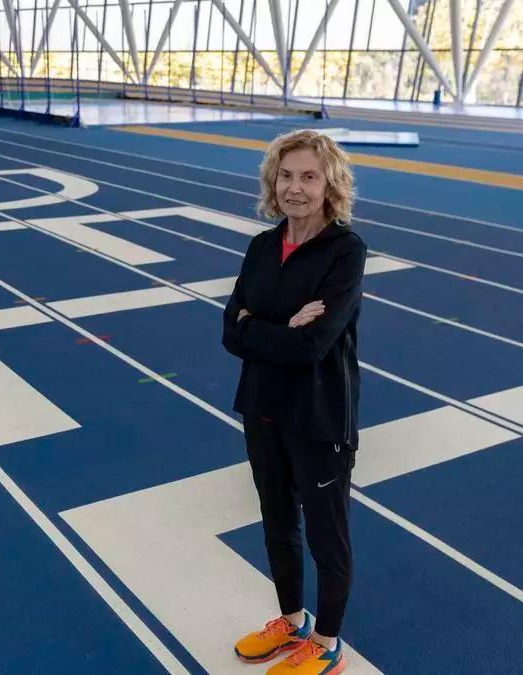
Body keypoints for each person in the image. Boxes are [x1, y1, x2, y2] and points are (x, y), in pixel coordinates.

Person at [223, 129, 365, 674]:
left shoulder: (345, 251)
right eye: (286, 176)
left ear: (329, 183)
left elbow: (313, 345)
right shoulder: (262, 246)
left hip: (318, 413)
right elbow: (227, 331)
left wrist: (256, 324)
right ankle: (291, 619)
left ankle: (328, 642)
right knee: (276, 518)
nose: (295, 188)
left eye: (308, 176)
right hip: (261, 404)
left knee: (328, 532)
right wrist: (275, 324)